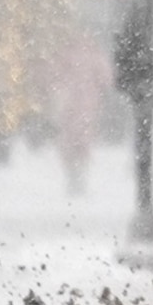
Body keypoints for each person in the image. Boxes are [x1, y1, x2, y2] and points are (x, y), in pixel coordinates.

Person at [51, 30, 113, 197]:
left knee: (69, 141)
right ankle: (79, 178)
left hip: (69, 104)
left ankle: (73, 177)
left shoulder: (66, 53)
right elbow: (106, 78)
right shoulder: (94, 54)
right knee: (83, 141)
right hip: (88, 104)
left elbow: (55, 76)